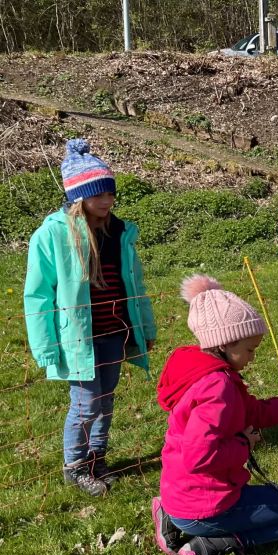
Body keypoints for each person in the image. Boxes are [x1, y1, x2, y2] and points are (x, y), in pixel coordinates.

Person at [151, 275, 278, 555]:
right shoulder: (217, 388)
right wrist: (243, 443)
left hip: (181, 492)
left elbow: (257, 412)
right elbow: (199, 457)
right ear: (225, 343)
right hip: (207, 503)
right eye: (249, 349)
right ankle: (209, 546)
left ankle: (168, 513)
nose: (251, 358)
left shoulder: (199, 370)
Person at [24, 138, 157, 497]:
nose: (108, 200)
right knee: (85, 405)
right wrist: (46, 347)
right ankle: (75, 465)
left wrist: (145, 327)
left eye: (111, 193)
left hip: (114, 331)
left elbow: (136, 284)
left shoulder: (119, 232)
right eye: (99, 194)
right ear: (78, 196)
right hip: (77, 340)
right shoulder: (52, 234)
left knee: (106, 399)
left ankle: (98, 458)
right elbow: (37, 295)